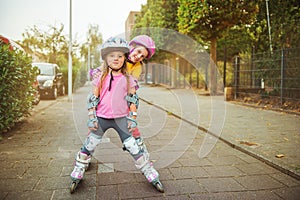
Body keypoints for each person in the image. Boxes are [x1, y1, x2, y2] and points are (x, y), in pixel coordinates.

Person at [70, 37, 164, 193]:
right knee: (90, 142)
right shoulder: (101, 76)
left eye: (120, 56)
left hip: (121, 117)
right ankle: (80, 166)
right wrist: (91, 116)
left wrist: (133, 117)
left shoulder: (131, 75)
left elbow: (133, 98)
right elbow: (93, 98)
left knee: (132, 145)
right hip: (101, 116)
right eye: (139, 52)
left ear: (124, 57)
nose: (116, 59)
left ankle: (148, 169)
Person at [89, 35, 155, 145]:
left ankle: (138, 143)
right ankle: (88, 147)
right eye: (138, 51)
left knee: (131, 119)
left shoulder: (138, 67)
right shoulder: (119, 56)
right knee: (96, 122)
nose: (139, 56)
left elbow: (132, 84)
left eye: (142, 56)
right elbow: (103, 68)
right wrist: (95, 72)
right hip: (106, 94)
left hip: (122, 95)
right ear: (132, 47)